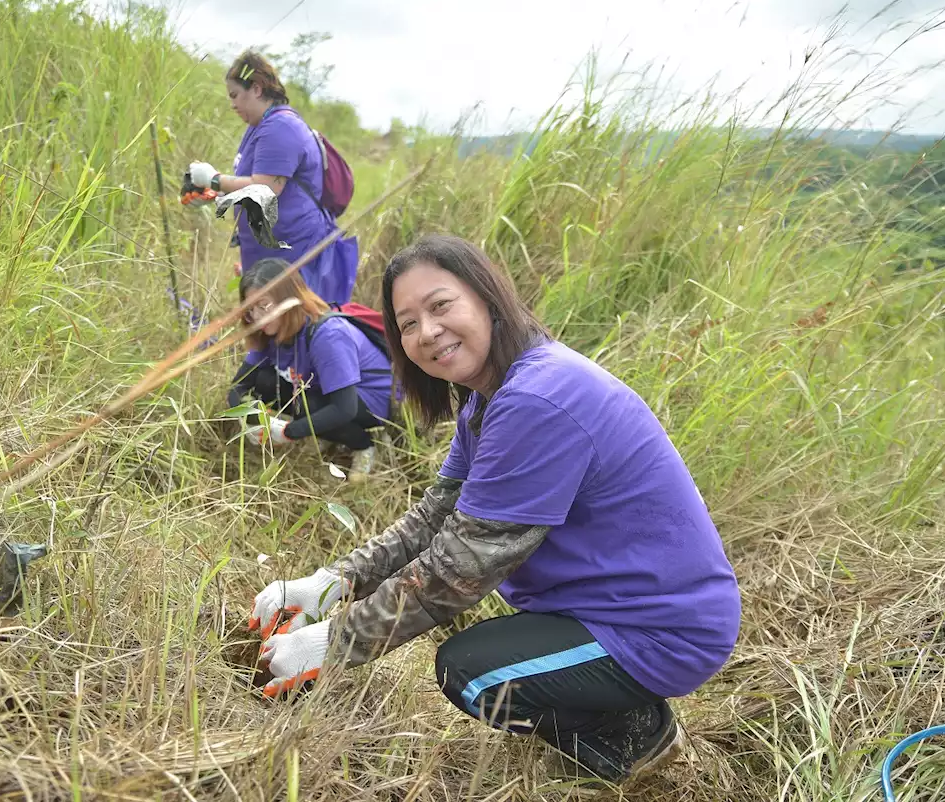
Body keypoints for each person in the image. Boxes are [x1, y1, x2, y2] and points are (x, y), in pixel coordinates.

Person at [247, 235, 742, 787]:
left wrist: (333, 642)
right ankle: (619, 710)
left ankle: (632, 736)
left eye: (440, 306)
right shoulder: (492, 397)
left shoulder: (537, 398)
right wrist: (333, 581)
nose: (427, 333)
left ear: (487, 296)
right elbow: (435, 516)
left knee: (475, 674)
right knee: (483, 654)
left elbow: (459, 569)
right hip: (612, 606)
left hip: (662, 628)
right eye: (407, 323)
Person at [182, 50, 358, 305]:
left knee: (293, 328)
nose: (232, 104)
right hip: (270, 252)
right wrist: (214, 193)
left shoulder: (281, 127)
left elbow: (266, 188)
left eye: (234, 95)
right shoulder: (259, 127)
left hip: (295, 254)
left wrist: (214, 179)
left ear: (255, 88)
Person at [229, 258, 393, 480]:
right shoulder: (269, 332)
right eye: (251, 309)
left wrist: (288, 431)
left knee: (309, 406)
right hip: (322, 389)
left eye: (264, 305)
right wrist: (253, 420)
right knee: (265, 381)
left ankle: (364, 445)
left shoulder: (327, 335)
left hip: (369, 399)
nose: (257, 317)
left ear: (289, 299)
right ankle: (326, 431)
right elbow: (239, 386)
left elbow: (345, 408)